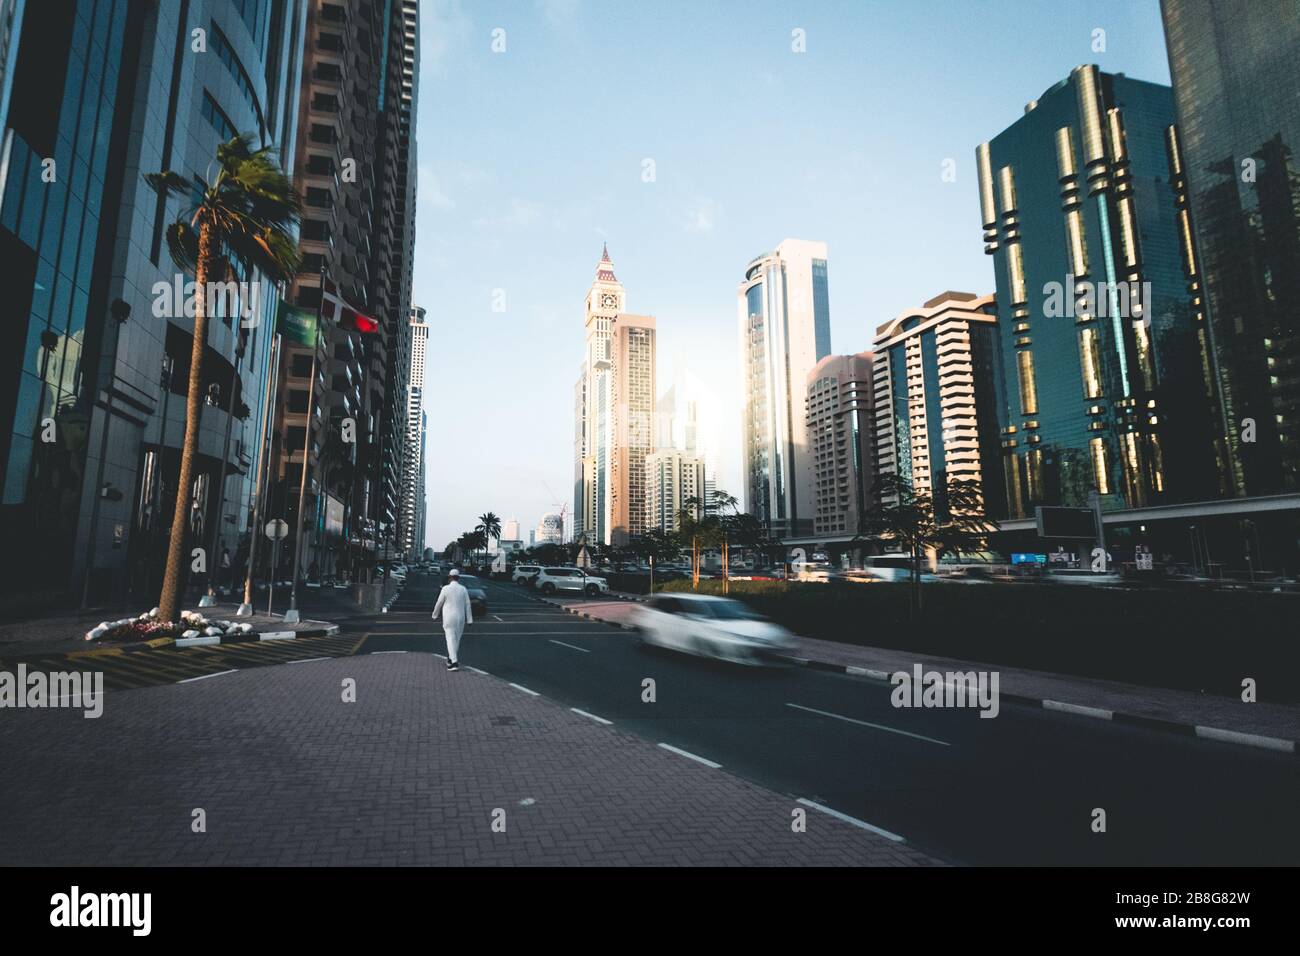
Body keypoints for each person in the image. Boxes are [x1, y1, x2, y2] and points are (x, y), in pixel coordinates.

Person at [431, 567, 473, 671]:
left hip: (449, 617)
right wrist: (469, 619)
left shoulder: (445, 589)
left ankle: (454, 662)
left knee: (450, 639)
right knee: (456, 639)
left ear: (450, 577)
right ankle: (450, 659)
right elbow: (468, 605)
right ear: (458, 578)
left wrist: (434, 615)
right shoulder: (463, 589)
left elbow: (439, 602)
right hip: (461, 617)